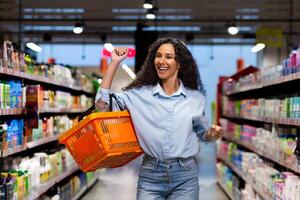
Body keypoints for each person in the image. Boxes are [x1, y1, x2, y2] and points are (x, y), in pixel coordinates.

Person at [95, 38, 222, 200]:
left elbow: (203, 133)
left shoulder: (194, 98)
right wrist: (114, 63)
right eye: (158, 56)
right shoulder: (139, 95)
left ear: (179, 63)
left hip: (185, 176)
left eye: (168, 57)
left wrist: (212, 134)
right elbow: (101, 105)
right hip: (151, 176)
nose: (161, 61)